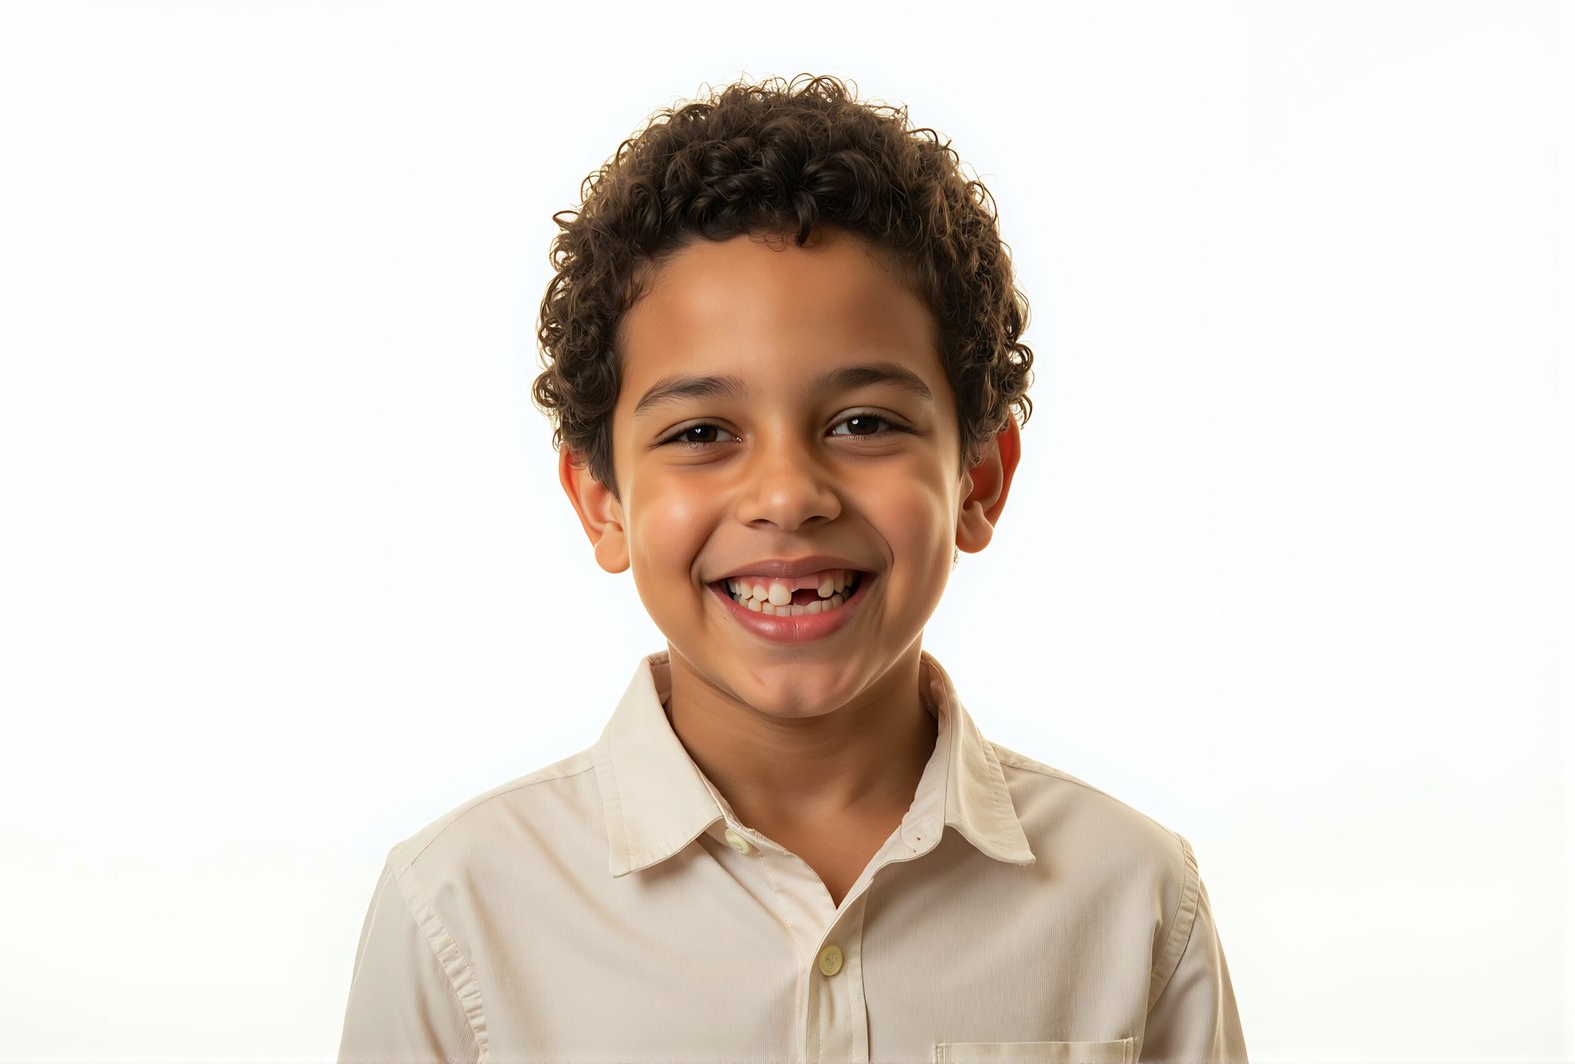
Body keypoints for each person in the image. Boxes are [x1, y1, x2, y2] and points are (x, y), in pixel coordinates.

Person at [337, 73, 1247, 1064]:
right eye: (701, 430)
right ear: (603, 500)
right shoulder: (462, 906)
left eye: (862, 421)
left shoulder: (1133, 894)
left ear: (978, 477)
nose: (787, 492)